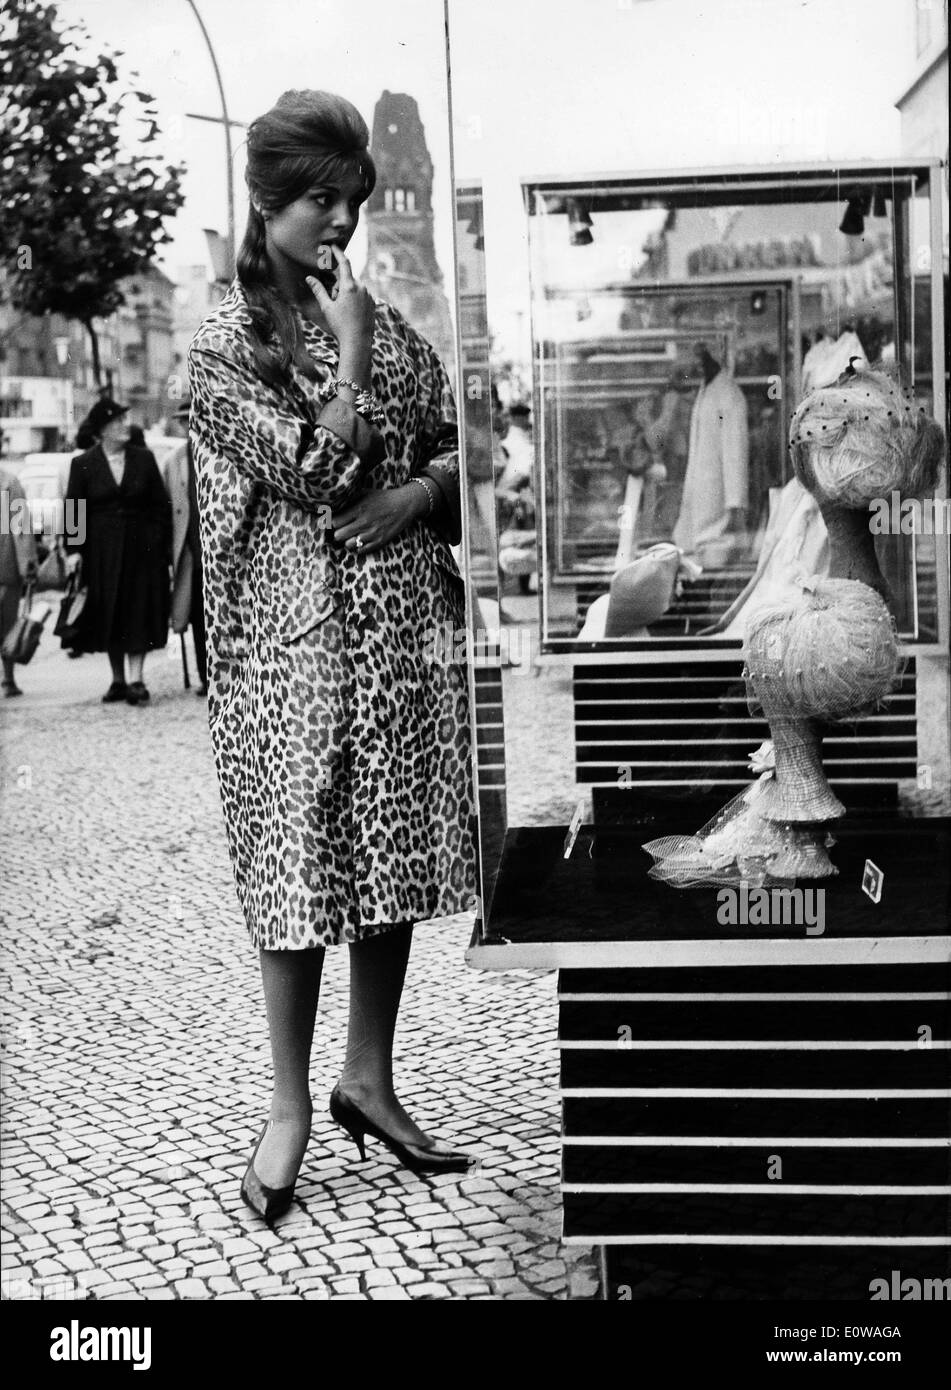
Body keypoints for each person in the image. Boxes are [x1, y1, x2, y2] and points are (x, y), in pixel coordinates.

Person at [187, 89, 478, 1222]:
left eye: (349, 201)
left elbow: (454, 450)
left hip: (400, 642)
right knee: (302, 874)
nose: (341, 224)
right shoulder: (223, 348)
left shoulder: (386, 322)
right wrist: (351, 363)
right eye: (321, 201)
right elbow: (314, 469)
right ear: (265, 202)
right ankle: (289, 1105)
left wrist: (418, 490)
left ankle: (369, 1077)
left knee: (390, 860)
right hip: (289, 657)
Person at [63, 396, 172, 703]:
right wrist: (74, 551)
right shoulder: (83, 464)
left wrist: (158, 542)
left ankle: (137, 679)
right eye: (118, 422)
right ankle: (117, 680)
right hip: (102, 554)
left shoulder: (143, 459)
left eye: (125, 420)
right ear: (103, 430)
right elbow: (74, 510)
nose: (126, 426)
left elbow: (160, 506)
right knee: (110, 612)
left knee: (137, 611)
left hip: (141, 551)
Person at [673, 343, 750, 564]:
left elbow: (735, 453)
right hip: (700, 501)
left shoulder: (728, 394)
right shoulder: (706, 390)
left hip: (718, 512)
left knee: (714, 566)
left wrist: (736, 508)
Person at [163, 400, 208, 695]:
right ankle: (207, 678)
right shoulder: (173, 460)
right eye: (183, 421)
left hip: (219, 553)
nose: (188, 425)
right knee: (196, 619)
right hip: (191, 555)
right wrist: (73, 545)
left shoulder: (219, 452)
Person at [0, 466, 38, 697]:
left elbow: (20, 527)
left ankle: (8, 677)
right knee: (7, 625)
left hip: (4, 567)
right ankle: (8, 679)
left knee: (7, 625)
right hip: (5, 567)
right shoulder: (7, 482)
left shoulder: (9, 483)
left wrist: (27, 565)